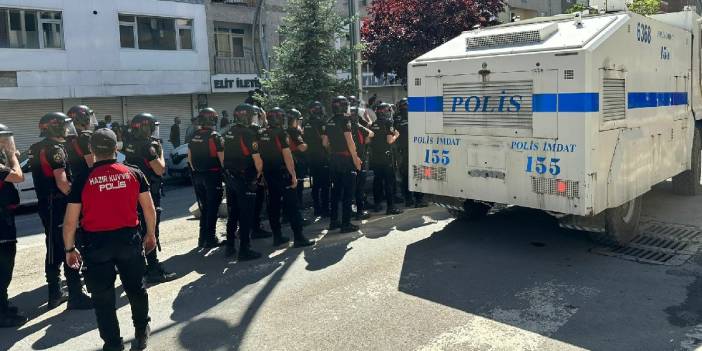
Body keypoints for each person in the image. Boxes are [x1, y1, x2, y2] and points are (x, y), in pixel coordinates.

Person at [63, 128, 155, 351]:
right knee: (136, 289)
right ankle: (141, 331)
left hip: (96, 245)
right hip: (128, 241)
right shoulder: (133, 172)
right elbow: (149, 209)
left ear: (92, 150)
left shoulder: (82, 179)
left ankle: (113, 344)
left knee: (103, 299)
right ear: (117, 148)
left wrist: (69, 248)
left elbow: (70, 221)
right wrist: (150, 234)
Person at [29, 112, 92, 310]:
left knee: (52, 246)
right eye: (65, 125)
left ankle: (55, 292)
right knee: (69, 244)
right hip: (59, 204)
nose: (68, 129)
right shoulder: (56, 149)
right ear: (55, 127)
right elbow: (63, 182)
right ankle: (75, 294)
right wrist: (77, 199)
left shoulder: (36, 147)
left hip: (46, 204)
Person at [123, 113, 176, 284]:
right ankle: (153, 269)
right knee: (151, 229)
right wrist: (160, 152)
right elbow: (160, 169)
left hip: (134, 192)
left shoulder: (129, 143)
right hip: (149, 192)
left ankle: (143, 266)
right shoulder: (149, 146)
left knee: (139, 229)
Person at [259, 108, 315, 248]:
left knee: (274, 206)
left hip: (269, 173)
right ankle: (298, 237)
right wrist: (293, 175)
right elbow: (287, 155)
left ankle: (277, 237)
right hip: (283, 174)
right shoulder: (282, 133)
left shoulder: (261, 133)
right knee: (292, 206)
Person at [222, 104, 264, 260]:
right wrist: (258, 176)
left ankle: (230, 246)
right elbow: (257, 161)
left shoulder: (229, 132)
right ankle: (245, 250)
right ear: (247, 116)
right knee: (246, 215)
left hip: (231, 177)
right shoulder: (247, 134)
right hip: (245, 178)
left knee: (233, 213)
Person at [0, 124, 28, 328]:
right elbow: (18, 176)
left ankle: (3, 304)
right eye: (4, 138)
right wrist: (13, 156)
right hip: (1, 226)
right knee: (3, 269)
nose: (8, 142)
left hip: (5, 220)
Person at [323, 96, 362, 233]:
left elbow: (325, 143)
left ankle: (334, 221)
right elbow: (350, 142)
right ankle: (346, 224)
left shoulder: (329, 121)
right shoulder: (346, 120)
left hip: (334, 159)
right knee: (348, 193)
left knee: (335, 192)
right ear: (345, 106)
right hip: (346, 160)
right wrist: (356, 159)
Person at [188, 108, 226, 249]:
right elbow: (223, 160)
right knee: (213, 208)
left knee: (204, 207)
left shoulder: (194, 135)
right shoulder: (215, 136)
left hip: (197, 176)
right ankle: (210, 239)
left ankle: (202, 238)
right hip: (212, 175)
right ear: (213, 119)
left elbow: (190, 159)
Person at [369, 103, 403, 215]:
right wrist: (396, 135)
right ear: (385, 111)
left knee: (377, 181)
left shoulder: (373, 124)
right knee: (389, 182)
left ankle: (377, 204)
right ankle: (391, 207)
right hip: (386, 157)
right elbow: (389, 140)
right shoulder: (388, 122)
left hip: (375, 157)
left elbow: (369, 140)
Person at [395, 98, 427, 207]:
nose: (406, 107)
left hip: (416, 149)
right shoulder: (397, 117)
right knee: (405, 176)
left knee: (418, 173)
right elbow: (397, 131)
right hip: (403, 151)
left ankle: (419, 199)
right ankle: (408, 199)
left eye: (407, 105)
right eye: (404, 105)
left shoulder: (415, 115)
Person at [303, 101, 330, 218]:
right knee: (324, 185)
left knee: (315, 184)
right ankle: (325, 209)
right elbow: (325, 143)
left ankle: (317, 209)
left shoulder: (306, 123)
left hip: (311, 157)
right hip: (322, 157)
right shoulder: (321, 122)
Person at [249, 106, 271, 238]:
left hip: (241, 171)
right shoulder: (256, 129)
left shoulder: (235, 129)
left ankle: (247, 227)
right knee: (257, 200)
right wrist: (265, 119)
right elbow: (267, 134)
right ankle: (255, 228)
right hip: (256, 169)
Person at [350, 104, 374, 221]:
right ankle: (359, 211)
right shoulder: (357, 126)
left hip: (347, 160)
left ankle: (350, 210)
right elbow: (370, 135)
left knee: (350, 187)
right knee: (359, 186)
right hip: (359, 159)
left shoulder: (343, 125)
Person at [65, 105, 98, 179]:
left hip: (75, 178)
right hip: (87, 179)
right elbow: (92, 164)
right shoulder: (85, 137)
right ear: (83, 118)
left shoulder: (66, 137)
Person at [286, 108, 307, 206]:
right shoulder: (294, 131)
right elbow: (302, 148)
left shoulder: (286, 130)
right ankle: (298, 206)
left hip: (290, 160)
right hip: (297, 160)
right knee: (298, 185)